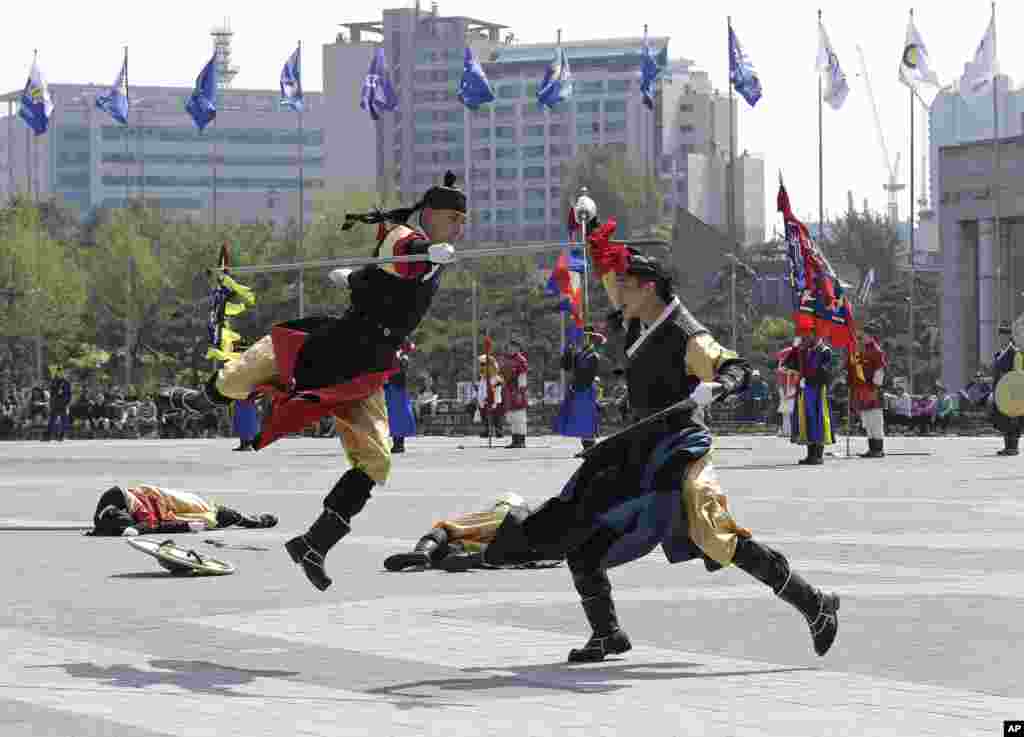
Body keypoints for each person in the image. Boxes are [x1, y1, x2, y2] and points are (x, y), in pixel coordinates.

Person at [448, 218, 839, 663]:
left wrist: (720, 385)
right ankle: (607, 633)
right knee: (584, 526)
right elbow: (610, 273)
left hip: (678, 448)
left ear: (649, 287)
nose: (615, 294)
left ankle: (814, 604)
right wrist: (590, 227)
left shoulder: (684, 331)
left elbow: (732, 365)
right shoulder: (639, 321)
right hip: (638, 446)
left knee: (713, 534)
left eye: (625, 287)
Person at [198, 172, 466, 591]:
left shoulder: (432, 256)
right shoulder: (407, 239)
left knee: (376, 462)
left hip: (368, 365)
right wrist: (428, 251)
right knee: (235, 382)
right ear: (430, 215)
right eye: (453, 219)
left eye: (463, 221)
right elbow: (403, 254)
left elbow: (397, 274)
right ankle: (197, 399)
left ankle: (315, 543)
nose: (460, 228)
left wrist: (367, 275)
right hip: (332, 347)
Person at [383, 493, 558, 572]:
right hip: (521, 550)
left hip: (509, 523)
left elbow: (447, 529)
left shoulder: (507, 507)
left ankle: (423, 552)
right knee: (465, 548)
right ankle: (469, 557)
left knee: (445, 529)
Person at [87, 484, 278, 537]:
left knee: (212, 513)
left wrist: (135, 530)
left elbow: (150, 523)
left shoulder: (131, 502)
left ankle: (252, 520)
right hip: (171, 511)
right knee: (206, 519)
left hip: (172, 501)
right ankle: (247, 520)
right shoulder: (110, 508)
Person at [785, 336, 835, 465]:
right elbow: (789, 364)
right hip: (804, 390)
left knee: (818, 421)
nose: (810, 337)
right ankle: (810, 455)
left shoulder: (825, 351)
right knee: (806, 421)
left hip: (818, 390)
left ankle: (818, 455)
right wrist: (794, 348)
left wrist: (809, 379)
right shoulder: (804, 350)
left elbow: (827, 372)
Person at [553, 330, 605, 450]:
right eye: (582, 337)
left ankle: (590, 447)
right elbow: (566, 366)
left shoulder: (593, 356)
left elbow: (588, 375)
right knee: (580, 419)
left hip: (585, 389)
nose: (582, 339)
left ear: (591, 340)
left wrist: (577, 386)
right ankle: (586, 447)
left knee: (587, 419)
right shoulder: (579, 354)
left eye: (586, 337)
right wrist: (568, 351)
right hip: (578, 388)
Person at [849, 321, 888, 458]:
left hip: (872, 390)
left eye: (864, 335)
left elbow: (879, 371)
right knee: (867, 420)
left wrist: (874, 387)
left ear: (871, 336)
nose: (862, 337)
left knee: (875, 420)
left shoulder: (877, 351)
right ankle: (872, 448)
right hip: (864, 389)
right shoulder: (863, 350)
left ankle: (878, 449)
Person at [991, 322, 1024, 456]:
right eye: (1000, 335)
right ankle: (1007, 446)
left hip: (1013, 392)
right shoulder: (998, 353)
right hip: (1000, 392)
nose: (1002, 338)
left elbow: (1018, 373)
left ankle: (1013, 447)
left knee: (1013, 418)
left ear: (1009, 337)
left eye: (1005, 335)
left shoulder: (1015, 353)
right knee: (1003, 418)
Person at [384, 342, 417, 454]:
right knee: (394, 417)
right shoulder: (395, 354)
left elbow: (410, 346)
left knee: (398, 416)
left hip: (397, 388)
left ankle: (399, 444)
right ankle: (397, 443)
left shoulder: (402, 356)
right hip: (391, 387)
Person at [501, 339, 529, 449]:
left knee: (519, 417)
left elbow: (522, 377)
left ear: (518, 348)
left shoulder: (521, 360)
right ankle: (515, 440)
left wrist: (521, 392)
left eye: (513, 347)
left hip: (517, 389)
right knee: (512, 417)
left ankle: (521, 440)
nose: (511, 349)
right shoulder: (505, 359)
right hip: (508, 389)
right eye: (509, 347)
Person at [476, 348, 504, 440]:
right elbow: (481, 390)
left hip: (494, 400)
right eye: (481, 365)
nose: (481, 367)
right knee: (484, 417)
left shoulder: (496, 378)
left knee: (497, 416)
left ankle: (498, 430)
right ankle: (486, 430)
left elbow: (498, 387)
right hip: (483, 402)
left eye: (483, 364)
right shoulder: (482, 379)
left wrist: (492, 399)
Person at [775, 346, 800, 438]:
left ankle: (792, 430)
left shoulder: (795, 366)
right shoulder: (782, 366)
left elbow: (798, 375)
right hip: (785, 389)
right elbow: (779, 374)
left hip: (792, 388)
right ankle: (786, 430)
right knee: (785, 412)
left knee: (791, 411)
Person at [46, 368, 72, 442]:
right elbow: (52, 392)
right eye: (58, 372)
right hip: (55, 403)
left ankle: (62, 435)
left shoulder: (66, 382)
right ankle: (48, 435)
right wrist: (56, 392)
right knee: (52, 420)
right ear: (57, 373)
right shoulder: (54, 381)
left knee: (64, 421)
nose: (60, 374)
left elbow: (69, 394)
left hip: (63, 403)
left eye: (61, 372)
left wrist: (68, 403)